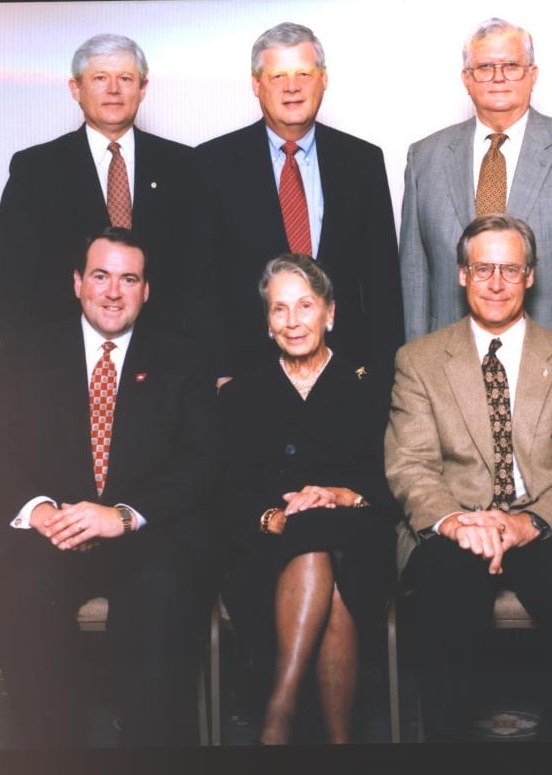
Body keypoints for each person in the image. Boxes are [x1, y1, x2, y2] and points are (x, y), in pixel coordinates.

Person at [0, 228, 220, 747]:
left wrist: (122, 515)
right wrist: (36, 511)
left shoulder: (182, 355)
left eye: (129, 279)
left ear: (146, 290)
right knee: (26, 587)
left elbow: (203, 459)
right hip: (50, 533)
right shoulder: (28, 349)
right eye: (101, 275)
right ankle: (51, 751)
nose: (113, 291)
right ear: (78, 282)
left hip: (146, 534)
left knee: (165, 590)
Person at [385, 213, 552, 742]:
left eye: (510, 270)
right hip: (455, 526)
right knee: (442, 589)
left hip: (543, 525)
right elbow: (410, 466)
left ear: (530, 275)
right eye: (482, 268)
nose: (495, 283)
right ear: (461, 273)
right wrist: (457, 523)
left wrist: (528, 524)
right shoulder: (418, 361)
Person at [399, 17, 552, 410]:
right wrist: (415, 368)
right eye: (485, 67)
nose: (498, 77)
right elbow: (415, 273)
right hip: (449, 362)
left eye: (511, 66)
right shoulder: (425, 157)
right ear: (466, 79)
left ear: (532, 75)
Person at [217, 254, 396, 745]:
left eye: (305, 306)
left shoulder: (373, 384)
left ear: (330, 313)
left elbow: (397, 475)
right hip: (269, 543)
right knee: (318, 556)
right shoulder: (240, 393)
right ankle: (338, 743)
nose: (293, 322)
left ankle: (279, 713)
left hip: (357, 529)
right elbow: (225, 486)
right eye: (280, 309)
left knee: (326, 545)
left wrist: (342, 494)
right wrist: (271, 517)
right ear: (267, 321)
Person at [195, 22, 403, 396]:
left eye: (304, 73)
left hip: (347, 374)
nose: (292, 86)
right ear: (256, 84)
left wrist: (384, 376)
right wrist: (220, 369)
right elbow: (202, 283)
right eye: (278, 75)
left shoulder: (363, 161)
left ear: (324, 80)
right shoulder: (212, 164)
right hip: (247, 376)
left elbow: (382, 283)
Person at [0, 34, 196, 345]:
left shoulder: (183, 166)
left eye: (125, 78)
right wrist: (19, 367)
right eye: (100, 77)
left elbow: (198, 276)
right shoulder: (35, 169)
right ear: (76, 88)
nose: (113, 89)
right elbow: (11, 281)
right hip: (62, 358)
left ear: (142, 88)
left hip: (164, 357)